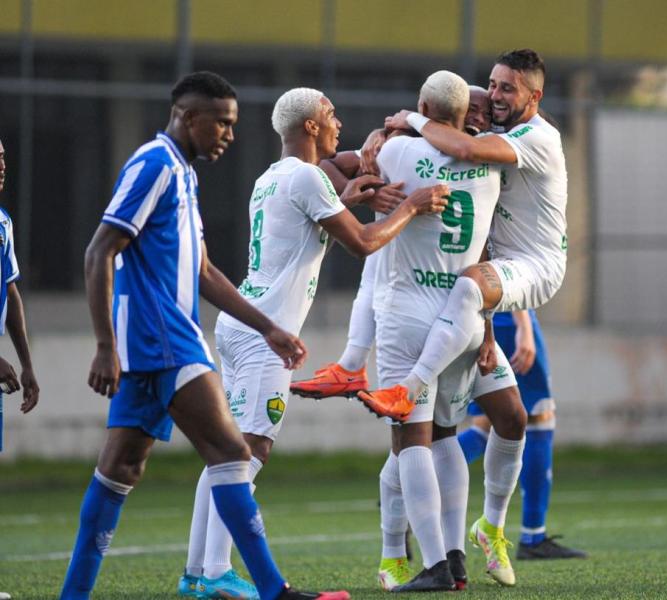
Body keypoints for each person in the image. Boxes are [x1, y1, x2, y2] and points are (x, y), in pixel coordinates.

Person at [59, 71, 349, 600]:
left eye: (232, 125)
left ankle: (74, 595)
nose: (228, 136)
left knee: (119, 470)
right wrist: (104, 344)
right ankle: (269, 589)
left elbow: (204, 272)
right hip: (167, 339)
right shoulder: (155, 165)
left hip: (156, 345)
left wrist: (270, 328)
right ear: (189, 117)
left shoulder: (185, 175)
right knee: (233, 453)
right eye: (221, 123)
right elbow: (100, 250)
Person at [180, 87, 449, 598]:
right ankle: (214, 572)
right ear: (309, 127)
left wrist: (361, 180)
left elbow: (310, 221)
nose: (338, 123)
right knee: (245, 453)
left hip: (241, 323)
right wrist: (413, 205)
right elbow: (365, 243)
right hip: (266, 333)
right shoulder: (307, 176)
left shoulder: (273, 176)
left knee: (227, 452)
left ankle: (199, 571)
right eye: (330, 115)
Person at [293, 85, 527, 589]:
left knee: (413, 439)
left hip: (410, 313)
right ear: (463, 117)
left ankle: (437, 563)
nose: (486, 117)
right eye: (479, 110)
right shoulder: (491, 166)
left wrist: (374, 168)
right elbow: (484, 251)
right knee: (444, 435)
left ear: (424, 112)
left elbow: (329, 171)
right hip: (459, 319)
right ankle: (440, 556)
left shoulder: (397, 149)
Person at [367, 48, 568, 418]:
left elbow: (464, 146)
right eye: (493, 85)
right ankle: (357, 365)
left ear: (534, 96)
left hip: (537, 265)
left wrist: (409, 118)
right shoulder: (495, 128)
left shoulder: (539, 138)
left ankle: (408, 388)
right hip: (496, 264)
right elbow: (448, 129)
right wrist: (382, 133)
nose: (494, 96)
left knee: (468, 284)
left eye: (507, 88)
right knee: (512, 421)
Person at [459, 309, 586, 559]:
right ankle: (533, 536)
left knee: (484, 426)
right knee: (540, 417)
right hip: (508, 321)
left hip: (476, 325)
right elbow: (504, 273)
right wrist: (524, 327)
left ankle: (407, 486)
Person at [0, 138, 40, 600]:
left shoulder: (3, 221)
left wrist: (27, 364)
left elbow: (10, 293)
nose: (3, 165)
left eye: (5, 156)